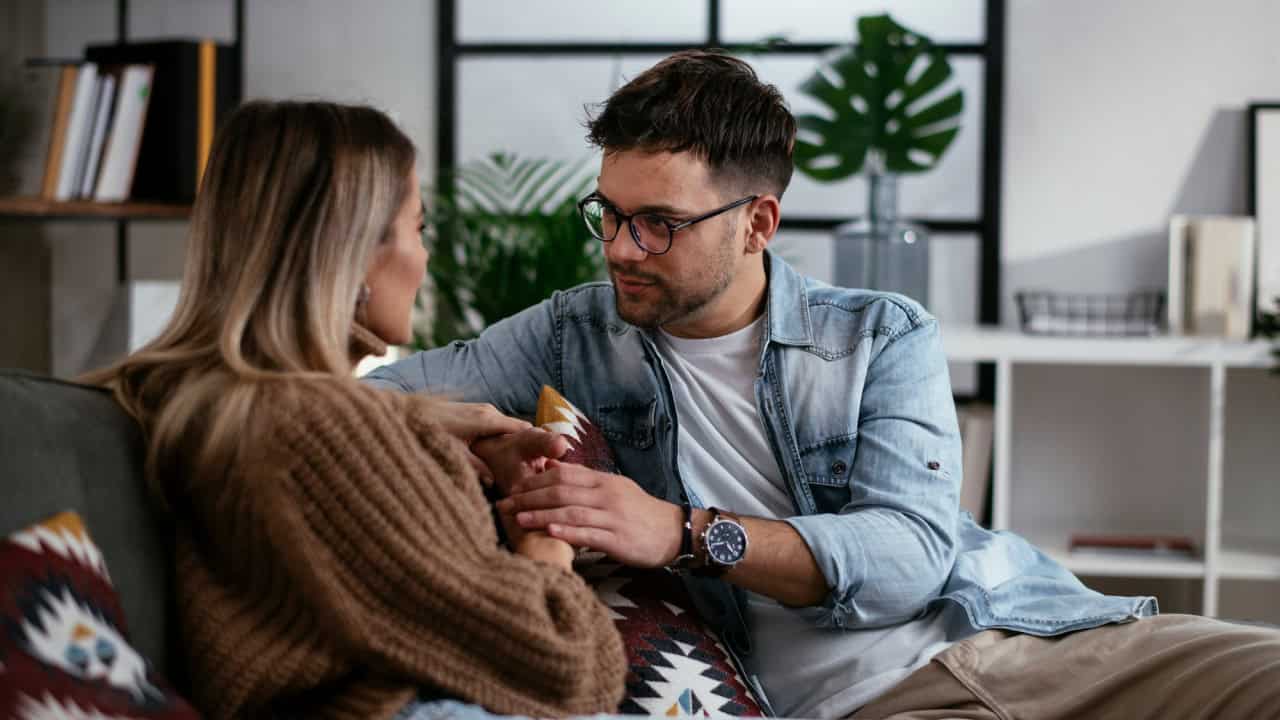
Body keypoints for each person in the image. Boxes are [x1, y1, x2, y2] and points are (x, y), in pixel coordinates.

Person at [366, 51, 1280, 719]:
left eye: (658, 225)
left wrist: (683, 533)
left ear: (758, 220)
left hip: (1015, 646)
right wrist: (470, 421)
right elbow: (363, 397)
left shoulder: (879, 334)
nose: (618, 250)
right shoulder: (573, 333)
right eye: (607, 215)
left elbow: (911, 555)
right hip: (856, 704)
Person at [84, 100, 626, 720]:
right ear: (359, 255)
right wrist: (544, 542)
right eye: (418, 229)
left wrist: (413, 425)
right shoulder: (318, 430)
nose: (424, 260)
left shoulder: (192, 400)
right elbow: (569, 668)